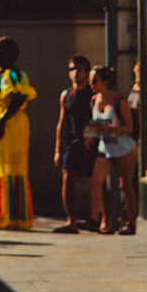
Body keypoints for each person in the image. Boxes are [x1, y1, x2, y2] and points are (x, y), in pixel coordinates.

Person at [0, 37, 35, 230]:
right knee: (0, 170)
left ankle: (17, 217)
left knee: (13, 169)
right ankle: (1, 215)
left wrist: (4, 120)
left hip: (13, 128)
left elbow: (19, 97)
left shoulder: (15, 75)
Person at [86, 64, 139, 235]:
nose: (92, 84)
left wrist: (111, 129)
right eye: (90, 81)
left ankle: (131, 222)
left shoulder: (119, 101)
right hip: (106, 147)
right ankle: (101, 219)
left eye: (95, 81)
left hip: (123, 148)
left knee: (126, 185)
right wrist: (90, 133)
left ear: (105, 81)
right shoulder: (94, 100)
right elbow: (96, 122)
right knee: (97, 180)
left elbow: (129, 128)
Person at [51, 55, 96, 233]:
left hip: (91, 143)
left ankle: (100, 218)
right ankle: (71, 221)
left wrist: (91, 135)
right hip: (73, 142)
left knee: (97, 181)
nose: (75, 72)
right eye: (72, 69)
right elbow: (62, 123)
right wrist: (58, 149)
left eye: (79, 69)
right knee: (68, 178)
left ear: (86, 72)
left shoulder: (93, 94)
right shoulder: (66, 95)